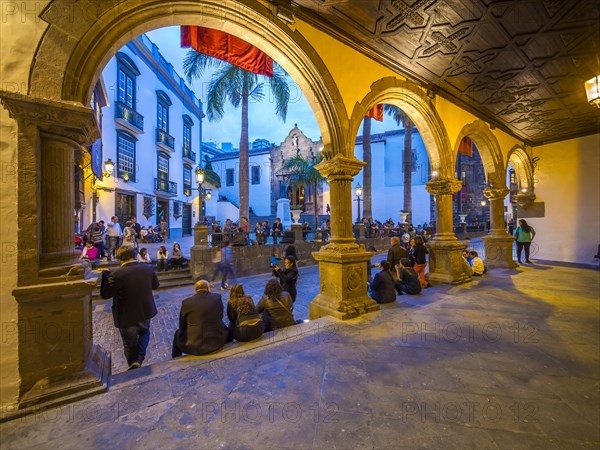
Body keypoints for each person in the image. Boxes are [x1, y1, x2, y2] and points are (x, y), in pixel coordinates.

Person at [100, 247, 159, 370]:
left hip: (126, 314)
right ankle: (139, 359)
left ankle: (133, 364)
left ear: (120, 258)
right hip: (144, 310)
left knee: (128, 343)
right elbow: (155, 285)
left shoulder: (116, 274)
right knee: (144, 333)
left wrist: (105, 276)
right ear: (134, 255)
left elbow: (106, 294)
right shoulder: (148, 268)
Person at [172, 280, 228, 357]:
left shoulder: (187, 302)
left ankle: (175, 359)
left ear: (196, 290)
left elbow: (182, 325)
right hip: (217, 342)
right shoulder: (217, 298)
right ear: (208, 288)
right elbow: (220, 316)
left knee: (177, 334)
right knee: (225, 326)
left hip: (195, 347)